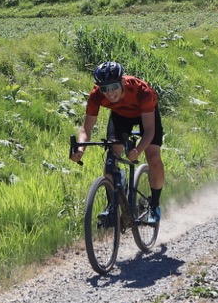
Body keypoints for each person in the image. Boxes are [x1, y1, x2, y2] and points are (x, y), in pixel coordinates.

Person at [70, 61, 166, 222]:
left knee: (154, 157)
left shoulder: (142, 91)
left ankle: (154, 205)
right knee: (111, 159)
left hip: (146, 114)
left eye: (113, 86)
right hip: (120, 116)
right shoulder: (96, 95)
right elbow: (86, 128)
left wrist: (138, 150)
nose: (109, 92)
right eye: (104, 89)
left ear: (122, 82)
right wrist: (80, 150)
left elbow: (149, 131)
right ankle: (112, 205)